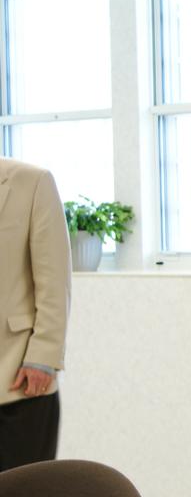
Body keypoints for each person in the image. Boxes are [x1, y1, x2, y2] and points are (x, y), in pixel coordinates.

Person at [0, 158, 71, 471]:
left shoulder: (32, 181)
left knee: (26, 486)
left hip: (18, 377)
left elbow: (54, 281)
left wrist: (43, 356)